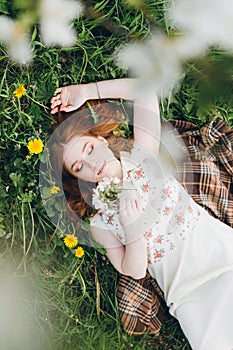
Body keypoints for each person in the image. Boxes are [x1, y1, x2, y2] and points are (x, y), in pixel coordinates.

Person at [50, 79, 233, 350]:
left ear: (101, 140)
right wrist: (132, 228)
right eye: (79, 166)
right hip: (188, 295)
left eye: (89, 149)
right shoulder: (101, 223)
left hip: (223, 257)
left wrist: (88, 92)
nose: (91, 163)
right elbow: (133, 270)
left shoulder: (143, 155)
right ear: (79, 178)